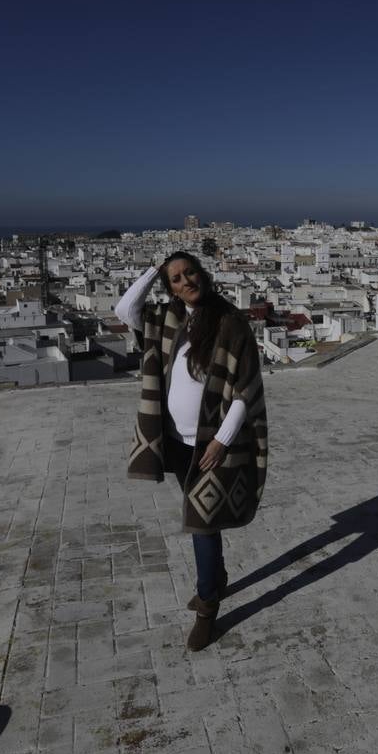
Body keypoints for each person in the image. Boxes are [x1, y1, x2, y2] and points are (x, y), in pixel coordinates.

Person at [114, 250, 268, 650]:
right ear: (170, 288)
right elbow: (125, 308)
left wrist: (222, 440)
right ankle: (216, 581)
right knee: (205, 520)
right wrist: (153, 267)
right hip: (176, 441)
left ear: (203, 273)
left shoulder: (231, 323)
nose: (186, 281)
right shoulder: (169, 320)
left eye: (190, 272)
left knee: (198, 521)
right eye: (177, 278)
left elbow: (245, 390)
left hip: (211, 444)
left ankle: (207, 607)